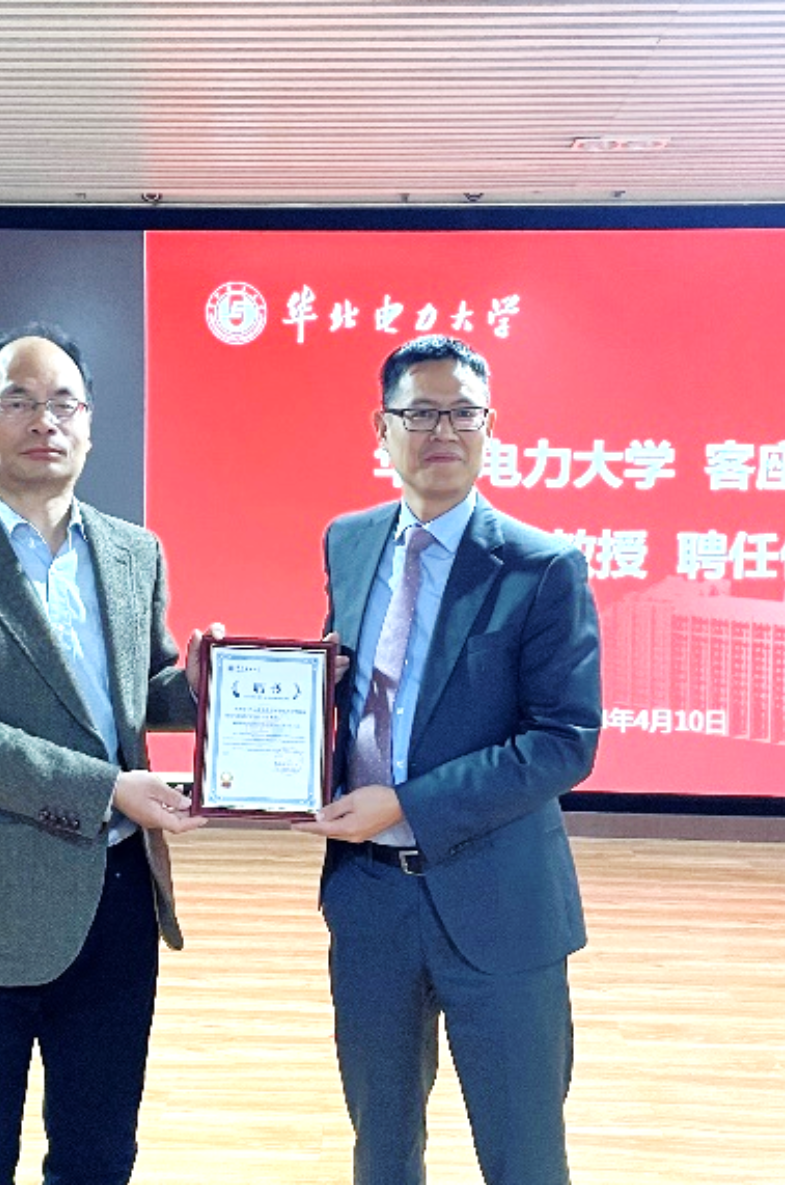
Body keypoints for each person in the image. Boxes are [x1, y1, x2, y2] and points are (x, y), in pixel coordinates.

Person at [0, 322, 214, 1186]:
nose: (44, 420)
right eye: (18, 400)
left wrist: (213, 686)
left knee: (100, 1155)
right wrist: (109, 790)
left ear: (89, 424)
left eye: (64, 402)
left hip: (118, 896)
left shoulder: (133, 551)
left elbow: (138, 693)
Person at [296, 334, 602, 1185]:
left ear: (489, 427)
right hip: (370, 902)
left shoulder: (543, 566)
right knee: (382, 1149)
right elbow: (349, 685)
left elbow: (563, 740)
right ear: (383, 428)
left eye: (463, 414)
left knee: (523, 1154)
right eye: (422, 413)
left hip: (501, 901)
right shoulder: (350, 540)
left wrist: (406, 803)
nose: (444, 432)